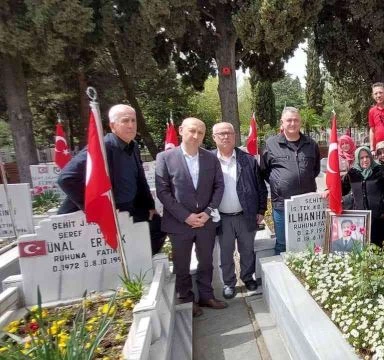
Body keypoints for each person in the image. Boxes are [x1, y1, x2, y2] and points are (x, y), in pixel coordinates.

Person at [57, 104, 166, 255]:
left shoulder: (133, 146)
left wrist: (149, 206)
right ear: (112, 125)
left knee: (158, 226)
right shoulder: (103, 147)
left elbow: (140, 179)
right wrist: (98, 208)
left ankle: (141, 267)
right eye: (125, 121)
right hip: (108, 209)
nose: (131, 125)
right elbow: (66, 178)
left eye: (133, 121)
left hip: (128, 207)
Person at [156, 117, 226, 317]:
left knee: (206, 261)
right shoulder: (165, 158)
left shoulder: (211, 158)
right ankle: (187, 299)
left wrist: (208, 212)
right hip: (179, 224)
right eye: (192, 131)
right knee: (182, 264)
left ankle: (206, 295)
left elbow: (219, 186)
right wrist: (185, 216)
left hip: (206, 222)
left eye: (201, 133)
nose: (196, 136)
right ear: (181, 130)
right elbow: (163, 192)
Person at [211, 122, 268, 299]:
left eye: (229, 133)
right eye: (221, 134)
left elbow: (261, 188)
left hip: (246, 215)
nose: (226, 136)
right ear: (214, 138)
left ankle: (248, 277)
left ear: (235, 136)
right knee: (225, 252)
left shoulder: (248, 160)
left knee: (247, 250)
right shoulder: (208, 160)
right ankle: (229, 283)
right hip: (222, 217)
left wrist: (260, 210)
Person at [261, 107, 321, 255]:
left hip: (307, 205)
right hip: (282, 204)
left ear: (300, 122)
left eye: (296, 120)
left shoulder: (311, 144)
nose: (292, 123)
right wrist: (279, 183)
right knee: (282, 244)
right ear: (282, 122)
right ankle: (281, 278)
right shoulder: (271, 144)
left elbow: (315, 170)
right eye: (289, 120)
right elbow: (264, 170)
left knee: (308, 244)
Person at [342, 146, 384, 246]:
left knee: (379, 246)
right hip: (360, 217)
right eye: (361, 158)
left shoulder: (380, 170)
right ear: (357, 159)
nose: (365, 160)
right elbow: (342, 190)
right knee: (362, 246)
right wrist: (329, 190)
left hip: (378, 217)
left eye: (367, 157)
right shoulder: (352, 173)